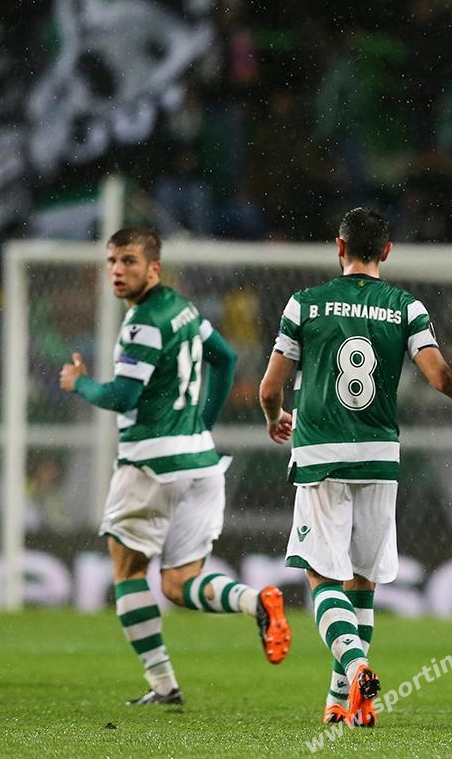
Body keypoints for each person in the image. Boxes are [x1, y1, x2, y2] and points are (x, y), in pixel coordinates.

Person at [258, 207, 452, 727]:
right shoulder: (406, 307)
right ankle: (343, 703)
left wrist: (275, 418)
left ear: (340, 248)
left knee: (323, 579)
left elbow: (271, 387)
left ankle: (355, 667)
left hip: (321, 454)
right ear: (386, 251)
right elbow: (442, 378)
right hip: (379, 456)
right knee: (363, 582)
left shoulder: (304, 304)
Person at [59, 227, 290, 706]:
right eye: (112, 261)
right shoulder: (184, 308)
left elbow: (122, 396)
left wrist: (79, 382)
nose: (117, 271)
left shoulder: (143, 322)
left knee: (128, 571)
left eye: (129, 261)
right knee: (179, 584)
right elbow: (224, 358)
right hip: (201, 462)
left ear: (154, 268)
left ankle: (163, 684)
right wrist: (202, 424)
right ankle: (256, 601)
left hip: (151, 465)